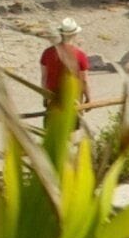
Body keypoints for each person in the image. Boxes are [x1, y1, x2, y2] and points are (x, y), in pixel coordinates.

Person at [39, 17, 95, 155]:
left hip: (52, 97)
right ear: (75, 34)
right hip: (72, 100)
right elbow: (84, 81)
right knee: (72, 135)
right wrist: (88, 99)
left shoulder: (47, 53)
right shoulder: (80, 55)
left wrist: (44, 96)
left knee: (51, 135)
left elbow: (44, 77)